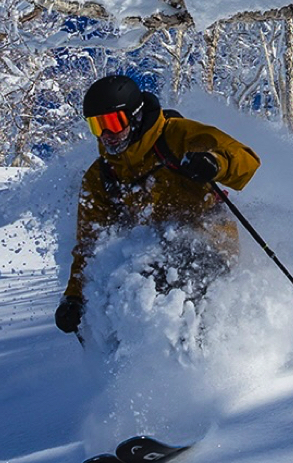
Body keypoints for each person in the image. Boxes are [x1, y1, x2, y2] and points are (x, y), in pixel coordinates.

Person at [54, 73, 261, 338]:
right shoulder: (102, 176)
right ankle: (135, 368)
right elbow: (90, 245)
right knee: (114, 293)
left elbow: (246, 159)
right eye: (97, 126)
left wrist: (215, 163)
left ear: (136, 116)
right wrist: (74, 298)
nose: (106, 135)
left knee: (174, 277)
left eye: (113, 123)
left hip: (209, 241)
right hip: (149, 255)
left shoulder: (175, 136)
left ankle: (216, 354)